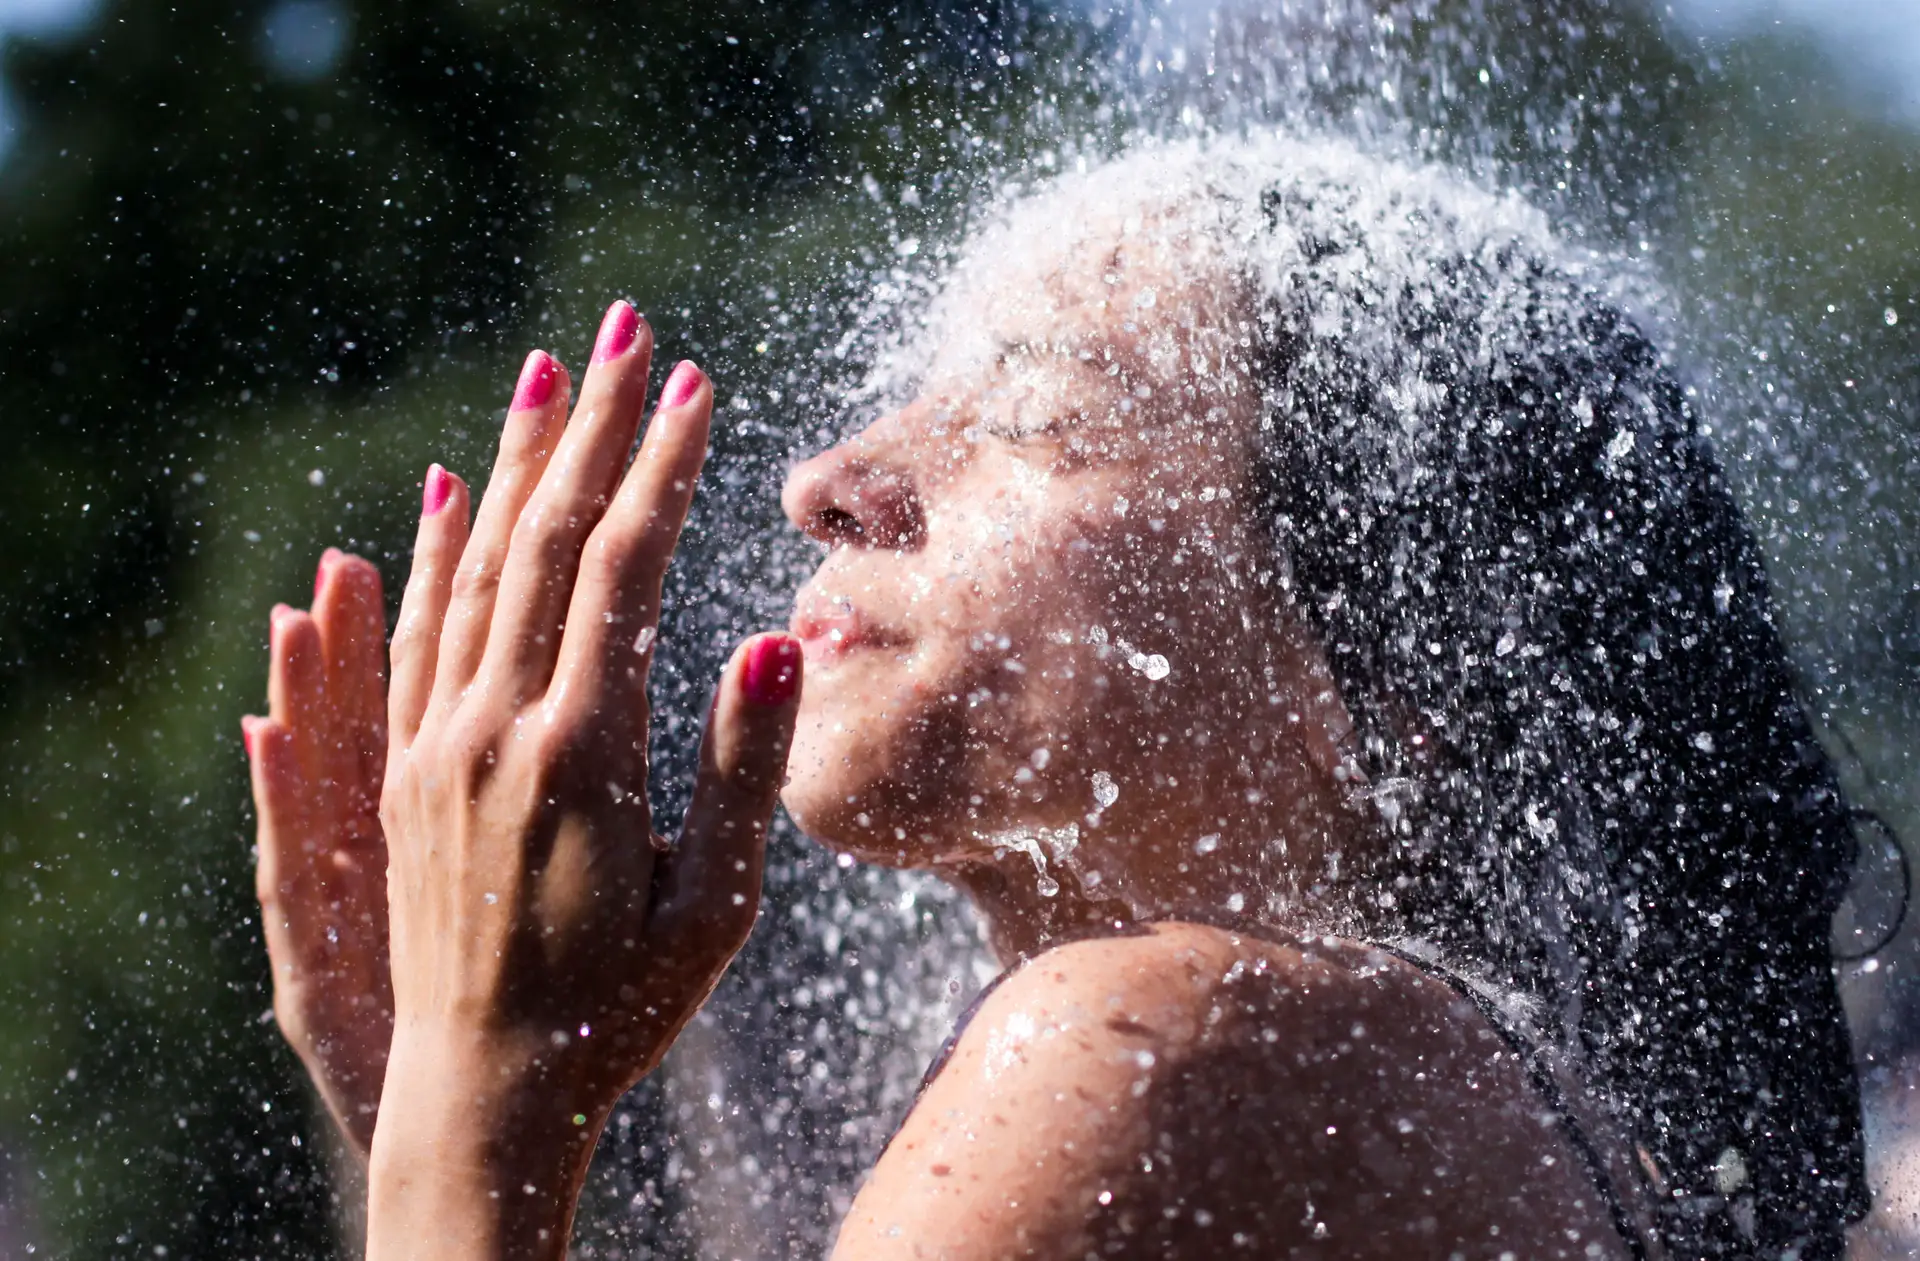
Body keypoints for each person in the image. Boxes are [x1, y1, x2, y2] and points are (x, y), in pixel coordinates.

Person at [241, 137, 1867, 1259]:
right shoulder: (1440, 1095)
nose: (827, 481)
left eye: (1029, 411)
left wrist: (480, 1124)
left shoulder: (1142, 1045)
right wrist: (437, 1110)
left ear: (1372, 679)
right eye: (918, 390)